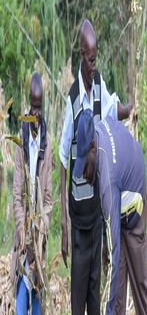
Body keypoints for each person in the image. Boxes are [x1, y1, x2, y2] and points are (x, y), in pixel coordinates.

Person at [59, 19, 133, 314]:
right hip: (78, 218)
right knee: (78, 298)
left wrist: (130, 110)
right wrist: (64, 226)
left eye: (96, 59)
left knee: (94, 290)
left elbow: (116, 109)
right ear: (81, 56)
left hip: (98, 212)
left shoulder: (100, 85)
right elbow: (64, 160)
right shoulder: (73, 100)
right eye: (90, 60)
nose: (93, 65)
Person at [72, 109, 147, 314]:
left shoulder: (107, 178)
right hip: (118, 186)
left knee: (138, 278)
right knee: (117, 293)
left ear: (92, 148)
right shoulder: (94, 133)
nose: (85, 176)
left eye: (85, 167)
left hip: (133, 193)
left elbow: (115, 250)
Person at [11, 73, 53, 314]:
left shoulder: (47, 145)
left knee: (37, 304)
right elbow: (17, 195)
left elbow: (48, 201)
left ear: (42, 105)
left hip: (40, 246)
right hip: (22, 243)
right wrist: (24, 233)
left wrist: (38, 235)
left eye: (39, 107)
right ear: (29, 102)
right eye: (32, 106)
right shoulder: (21, 142)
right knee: (20, 302)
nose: (35, 113)